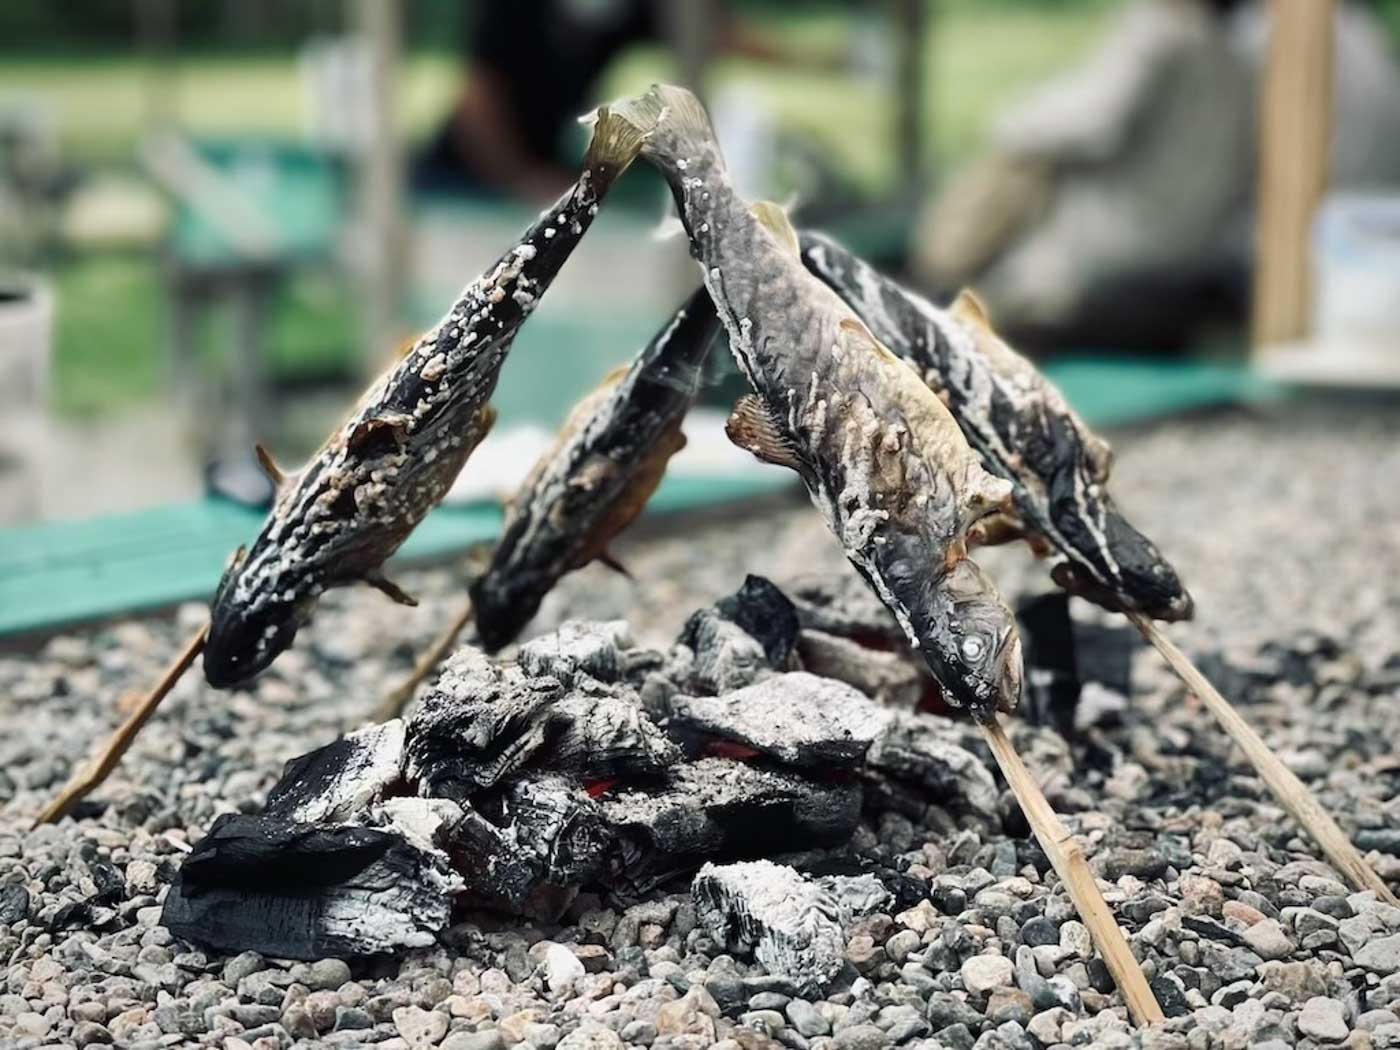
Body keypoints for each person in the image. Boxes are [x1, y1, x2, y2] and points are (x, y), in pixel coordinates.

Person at [414, 0, 821, 201]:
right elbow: (477, 98)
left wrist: (812, 60)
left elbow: (711, 35)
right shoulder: (512, 8)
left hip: (543, 166)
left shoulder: (617, 10)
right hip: (464, 178)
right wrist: (522, 180)